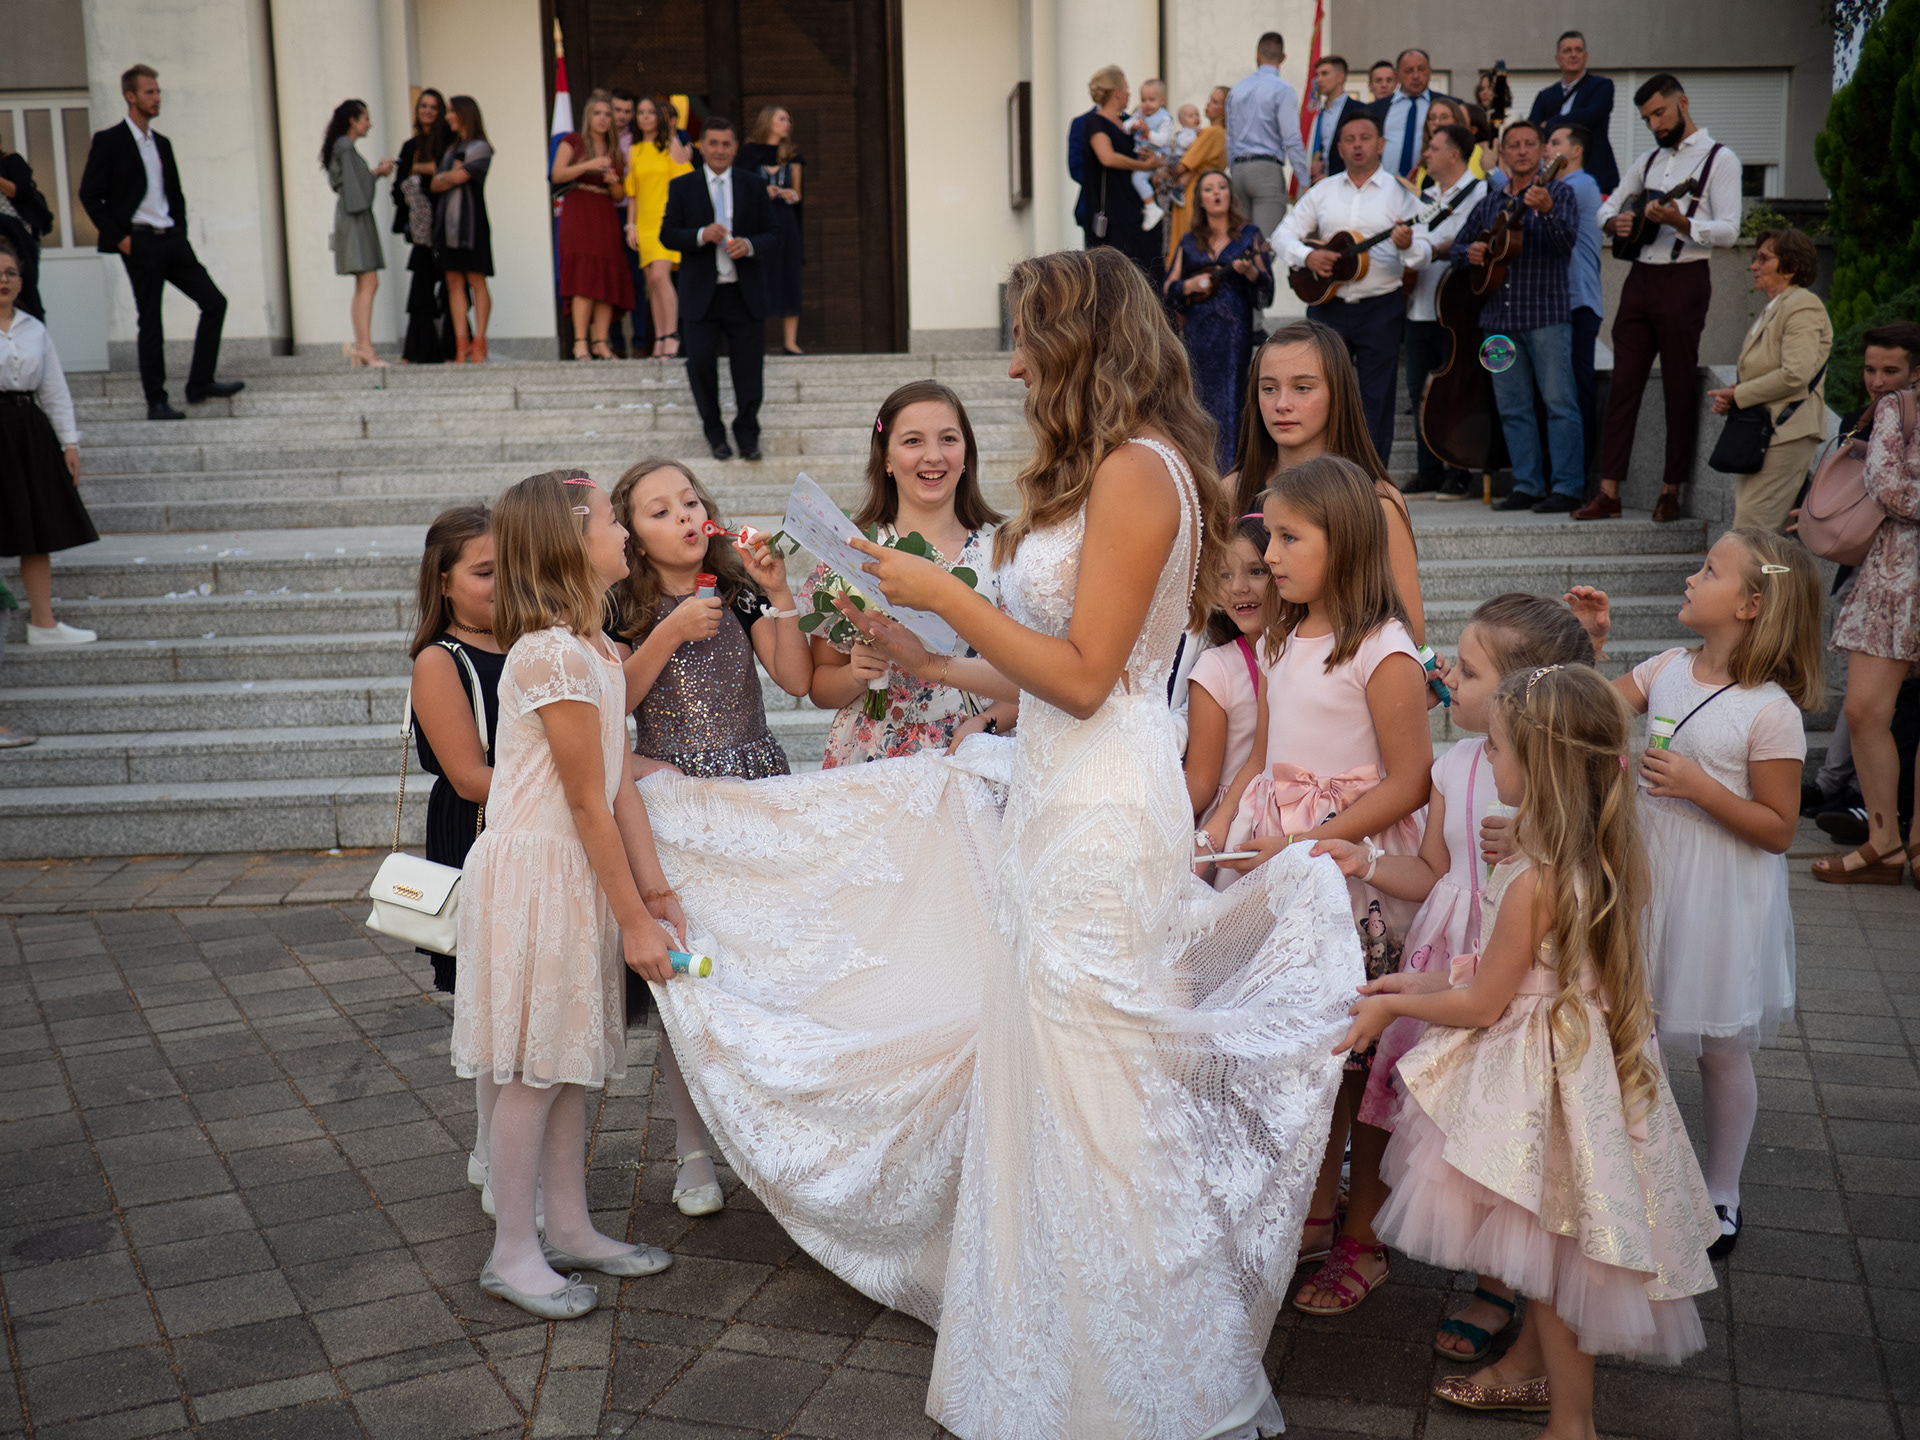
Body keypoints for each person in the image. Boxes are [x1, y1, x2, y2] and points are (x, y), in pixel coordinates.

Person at [635, 247, 1362, 1438]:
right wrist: (928, 655)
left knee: (1102, 1095)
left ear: (1083, 342)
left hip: (1102, 806)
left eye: (1028, 338)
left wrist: (947, 593)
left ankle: (1153, 1386)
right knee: (1053, 1086)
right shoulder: (1107, 470)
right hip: (1054, 796)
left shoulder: (1141, 471)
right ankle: (1057, 1364)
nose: (1016, 364)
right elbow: (1044, 675)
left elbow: (1086, 677)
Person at [1357, 664, 1718, 1425]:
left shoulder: (1533, 880)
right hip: (1583, 1070)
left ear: (1540, 765)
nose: (1485, 757)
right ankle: (1534, 1373)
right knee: (1555, 1255)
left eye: (1495, 747)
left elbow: (1485, 1003)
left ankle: (1571, 1425)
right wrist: (1411, 985)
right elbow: (1515, 976)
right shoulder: (1597, 853)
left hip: (1543, 1084)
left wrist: (1391, 1009)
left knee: (1553, 1265)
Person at [1200, 456, 1433, 1319]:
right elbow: (1264, 755)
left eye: (1290, 539)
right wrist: (1224, 831)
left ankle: (1363, 1235)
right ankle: (1315, 1211)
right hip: (1288, 863)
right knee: (1312, 1052)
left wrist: (1310, 843)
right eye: (1271, 537)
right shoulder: (1278, 638)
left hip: (1354, 875)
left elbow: (1410, 780)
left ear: (1347, 542)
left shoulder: (1384, 648)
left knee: (1362, 1060)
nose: (1270, 556)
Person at [1339, 592, 1596, 1362]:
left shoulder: (1561, 777)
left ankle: (1512, 1287)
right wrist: (1367, 862)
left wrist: (1540, 830)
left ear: (1524, 693)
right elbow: (1430, 870)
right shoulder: (1452, 766)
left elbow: (1597, 845)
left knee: (1522, 1132)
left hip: (1524, 981)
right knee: (1463, 1129)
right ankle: (1492, 1275)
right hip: (1450, 960)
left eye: (1472, 670)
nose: (1448, 674)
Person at [451, 470, 681, 1320]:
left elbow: (619, 788)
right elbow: (585, 801)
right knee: (535, 1067)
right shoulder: (549, 653)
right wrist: (634, 922)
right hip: (538, 872)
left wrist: (653, 891)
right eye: (614, 521)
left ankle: (573, 1227)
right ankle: (513, 1251)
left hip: (576, 870)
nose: (626, 534)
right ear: (572, 538)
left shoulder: (596, 650)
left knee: (570, 1062)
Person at [1572, 530, 1821, 1258]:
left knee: (1720, 1046)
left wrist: (1700, 787)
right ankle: (1626, 1168)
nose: (1691, 577)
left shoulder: (1771, 711)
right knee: (1627, 1018)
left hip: (1720, 895)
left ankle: (1722, 1190)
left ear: (1751, 604)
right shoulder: (1667, 668)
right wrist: (1591, 645)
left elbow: (1778, 829)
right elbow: (1585, 710)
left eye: (1709, 570)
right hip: (1649, 874)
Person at [801, 382, 1005, 765]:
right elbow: (820, 687)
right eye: (913, 441)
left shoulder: (1002, 554)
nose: (933, 455)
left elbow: (1032, 680)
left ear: (966, 455)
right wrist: (855, 674)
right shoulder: (854, 552)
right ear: (887, 460)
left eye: (948, 439)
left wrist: (985, 723)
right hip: (871, 756)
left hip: (967, 751)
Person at [1575, 75, 1741, 523]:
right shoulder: (1648, 160)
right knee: (1623, 385)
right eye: (1646, 118)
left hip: (1685, 278)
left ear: (1682, 102)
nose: (1654, 125)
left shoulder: (1720, 159)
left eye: (1659, 114)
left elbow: (1730, 230)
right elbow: (1606, 207)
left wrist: (1683, 223)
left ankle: (1671, 490)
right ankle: (1608, 491)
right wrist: (1614, 223)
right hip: (1639, 280)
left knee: (1678, 386)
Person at [406, 507, 506, 1203]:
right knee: (495, 1000)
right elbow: (469, 776)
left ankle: (495, 1150)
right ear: (443, 581)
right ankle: (496, 1158)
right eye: (484, 572)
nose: (502, 584)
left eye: (511, 567)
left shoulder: (534, 642)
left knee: (526, 997)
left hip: (535, 829)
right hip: (478, 831)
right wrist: (574, 787)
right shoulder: (440, 660)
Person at [609, 456, 811, 780]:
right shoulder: (620, 605)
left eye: (690, 502)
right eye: (660, 512)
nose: (684, 515)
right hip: (672, 782)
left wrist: (779, 591)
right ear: (635, 541)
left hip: (755, 777)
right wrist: (671, 632)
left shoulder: (737, 589)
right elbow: (615, 705)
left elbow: (797, 681)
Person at [1227, 320, 1425, 641]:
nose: (1282, 404)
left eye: (1302, 388)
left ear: (1338, 393)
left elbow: (1409, 629)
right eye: (1269, 388)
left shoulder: (1377, 500)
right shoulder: (1231, 490)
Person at [1800, 322, 1920, 829]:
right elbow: (1883, 486)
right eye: (1871, 369)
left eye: (1890, 370)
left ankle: (1885, 828)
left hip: (1896, 577)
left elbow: (1888, 488)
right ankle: (1873, 819)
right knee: (1868, 708)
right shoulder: (1884, 411)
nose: (1877, 380)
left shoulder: (1895, 409)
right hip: (1886, 573)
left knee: (1877, 709)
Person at [78, 64, 244, 420]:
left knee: (214, 302)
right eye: (149, 92)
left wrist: (179, 229)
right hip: (138, 242)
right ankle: (156, 400)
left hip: (171, 239)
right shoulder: (110, 141)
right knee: (151, 321)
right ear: (131, 96)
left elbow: (174, 194)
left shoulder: (162, 144)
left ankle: (200, 384)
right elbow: (89, 194)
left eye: (158, 91)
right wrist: (120, 239)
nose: (157, 98)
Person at [1277, 110, 1421, 470]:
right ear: (1339, 148)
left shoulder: (1402, 194)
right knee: (1318, 394)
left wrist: (1407, 245)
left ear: (1381, 144)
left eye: (1365, 138)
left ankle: (1372, 479)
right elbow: (1282, 234)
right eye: (1350, 140)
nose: (1358, 146)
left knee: (1377, 397)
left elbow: (1424, 249)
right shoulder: (1323, 191)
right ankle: (1319, 473)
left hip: (1380, 308)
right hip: (1328, 307)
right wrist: (1308, 256)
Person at [1453, 121, 1584, 513]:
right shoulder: (1489, 202)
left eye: (1530, 144)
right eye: (1514, 145)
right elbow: (1458, 249)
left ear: (1543, 151)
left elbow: (1566, 244)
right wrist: (1472, 253)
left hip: (1547, 316)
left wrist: (1547, 212)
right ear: (1503, 154)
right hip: (1498, 321)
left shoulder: (1559, 192)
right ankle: (1527, 485)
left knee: (1560, 404)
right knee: (1512, 409)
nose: (1522, 151)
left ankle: (1567, 488)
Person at [0, 236, 97, 648]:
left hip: (29, 431)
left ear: (21, 281)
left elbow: (55, 390)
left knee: (36, 530)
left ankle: (43, 623)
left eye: (10, 273)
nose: (4, 280)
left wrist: (69, 443)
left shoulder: (34, 329)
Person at [660, 118, 775, 461]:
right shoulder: (683, 186)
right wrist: (700, 235)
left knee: (749, 369)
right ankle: (715, 435)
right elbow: (667, 234)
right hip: (701, 296)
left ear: (735, 147)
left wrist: (749, 245)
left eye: (726, 144)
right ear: (702, 146)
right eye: (713, 143)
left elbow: (773, 233)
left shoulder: (754, 184)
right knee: (699, 365)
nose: (720, 150)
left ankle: (748, 437)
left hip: (744, 293)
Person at [1707, 228, 1832, 532]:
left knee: (1751, 534)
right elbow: (1770, 372)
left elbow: (1796, 373)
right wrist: (1735, 395)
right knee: (1762, 536)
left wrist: (1740, 395)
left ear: (1791, 267)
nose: (1754, 266)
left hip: (1786, 433)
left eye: (1763, 258)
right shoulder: (1777, 307)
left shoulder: (1803, 304)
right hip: (1766, 433)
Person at [1166, 171, 1273, 472]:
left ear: (1230, 194)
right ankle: (1202, 470)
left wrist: (1249, 272)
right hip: (1198, 331)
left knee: (1231, 397)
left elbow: (1266, 285)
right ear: (1200, 200)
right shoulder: (1189, 241)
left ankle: (1231, 471)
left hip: (1234, 330)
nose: (1216, 193)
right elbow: (1168, 287)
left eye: (1222, 187)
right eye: (1209, 189)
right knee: (1199, 397)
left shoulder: (1249, 235)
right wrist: (1189, 285)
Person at [1401, 124, 1486, 498]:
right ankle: (1429, 471)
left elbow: (1471, 244)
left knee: (1457, 391)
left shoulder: (1481, 193)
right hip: (1420, 306)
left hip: (1459, 310)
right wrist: (1419, 247)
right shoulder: (1423, 197)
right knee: (1418, 392)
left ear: (1454, 154)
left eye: (1433, 148)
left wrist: (1427, 248)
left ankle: (1459, 470)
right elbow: (1418, 249)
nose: (1426, 155)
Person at [1184, 514, 1272, 826]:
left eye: (1256, 571)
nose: (1238, 587)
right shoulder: (1215, 670)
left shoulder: (1311, 655)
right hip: (1235, 829)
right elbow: (1199, 786)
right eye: (1224, 575)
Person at [552, 90, 633, 361]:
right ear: (588, 116)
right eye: (597, 113)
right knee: (583, 276)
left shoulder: (615, 151)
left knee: (606, 275)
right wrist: (590, 165)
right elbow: (557, 173)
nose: (603, 119)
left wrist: (614, 182)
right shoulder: (572, 141)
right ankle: (580, 342)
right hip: (578, 210)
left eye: (607, 114)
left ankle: (600, 341)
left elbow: (619, 196)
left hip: (605, 213)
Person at [1545, 122, 1604, 474]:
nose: (1545, 149)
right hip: (1564, 303)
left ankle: (1581, 473)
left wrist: (1495, 170)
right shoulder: (1564, 185)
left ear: (1576, 151)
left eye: (1554, 142)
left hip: (1579, 302)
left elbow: (1530, 199)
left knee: (1577, 392)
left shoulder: (1578, 185)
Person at [322, 100, 394, 369]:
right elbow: (357, 192)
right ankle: (364, 347)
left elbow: (351, 184)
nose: (369, 124)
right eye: (365, 119)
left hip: (350, 215)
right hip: (355, 217)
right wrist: (377, 174)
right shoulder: (345, 146)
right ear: (353, 121)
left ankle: (362, 346)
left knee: (364, 283)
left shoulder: (341, 146)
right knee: (369, 281)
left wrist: (374, 174)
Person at [624, 94, 694, 360]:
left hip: (666, 222)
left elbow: (686, 184)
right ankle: (660, 338)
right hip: (644, 223)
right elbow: (632, 193)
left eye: (650, 112)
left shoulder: (670, 144)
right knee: (651, 283)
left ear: (659, 117)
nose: (645, 117)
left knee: (660, 278)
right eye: (640, 112)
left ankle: (672, 335)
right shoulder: (634, 151)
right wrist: (630, 226)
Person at [1080, 67, 1166, 281]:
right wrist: (1143, 167)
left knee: (1148, 270)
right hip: (1112, 212)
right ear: (1117, 92)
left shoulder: (1130, 122)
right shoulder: (1095, 121)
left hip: (1136, 210)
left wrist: (1154, 161)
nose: (1129, 94)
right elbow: (1107, 157)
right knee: (1114, 276)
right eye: (1126, 89)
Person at [1224, 32, 1309, 241]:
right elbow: (1291, 139)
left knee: (1240, 244)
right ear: (1283, 58)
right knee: (1267, 244)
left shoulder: (1237, 89)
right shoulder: (1283, 90)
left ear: (1257, 55)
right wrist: (1304, 180)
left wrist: (1234, 169)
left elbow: (1230, 138)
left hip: (1239, 169)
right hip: (1266, 169)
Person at [392, 88, 452, 364]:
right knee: (421, 289)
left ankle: (453, 349)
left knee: (452, 287)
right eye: (423, 106)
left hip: (447, 226)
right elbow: (398, 188)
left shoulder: (449, 141)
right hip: (421, 230)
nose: (427, 111)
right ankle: (415, 352)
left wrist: (424, 170)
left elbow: (451, 174)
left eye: (433, 107)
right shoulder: (410, 146)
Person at [433, 95, 493, 364]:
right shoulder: (450, 149)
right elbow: (434, 185)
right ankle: (462, 345)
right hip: (447, 227)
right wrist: (449, 176)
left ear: (464, 113)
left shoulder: (481, 147)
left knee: (476, 281)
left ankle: (479, 342)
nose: (447, 117)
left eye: (451, 111)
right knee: (453, 283)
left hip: (472, 224)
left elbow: (460, 177)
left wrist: (447, 176)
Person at [742, 105, 806, 355]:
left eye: (788, 119)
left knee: (789, 275)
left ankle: (790, 342)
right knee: (758, 275)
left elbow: (798, 192)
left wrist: (789, 194)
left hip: (785, 223)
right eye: (782, 119)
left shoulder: (792, 154)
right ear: (768, 122)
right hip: (758, 223)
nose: (787, 123)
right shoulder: (749, 153)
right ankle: (755, 340)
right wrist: (761, 192)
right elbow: (740, 188)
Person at [1526, 30, 1619, 192]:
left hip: (1595, 174)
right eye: (1567, 51)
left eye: (1578, 50)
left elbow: (1591, 115)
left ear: (1586, 56)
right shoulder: (1545, 95)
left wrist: (1550, 123)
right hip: (1553, 178)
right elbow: (1533, 130)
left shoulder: (1601, 86)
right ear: (1557, 59)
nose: (1573, 55)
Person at [1164, 86, 1228, 269]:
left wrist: (1158, 164)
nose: (1208, 104)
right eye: (1210, 99)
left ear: (1225, 110)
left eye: (1215, 102)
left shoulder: (1212, 133)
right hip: (1201, 194)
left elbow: (1182, 166)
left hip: (1192, 193)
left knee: (1185, 246)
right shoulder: (1221, 134)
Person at [607, 88, 646, 358]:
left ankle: (641, 341)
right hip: (607, 214)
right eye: (617, 110)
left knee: (637, 279)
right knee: (611, 278)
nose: (622, 116)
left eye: (627, 111)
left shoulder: (639, 139)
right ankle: (615, 343)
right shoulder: (600, 139)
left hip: (635, 215)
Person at [1377, 49, 1456, 181]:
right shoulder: (1377, 109)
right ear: (1397, 75)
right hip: (1385, 184)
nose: (1415, 76)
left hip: (1432, 183)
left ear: (1430, 71)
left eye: (1421, 69)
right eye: (1408, 71)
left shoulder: (1448, 106)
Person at [0, 137, 52, 320]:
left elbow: (20, 191)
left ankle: (34, 331)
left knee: (24, 288)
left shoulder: (12, 162)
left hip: (18, 237)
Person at [1123, 79, 1174, 230]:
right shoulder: (1140, 114)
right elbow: (1124, 125)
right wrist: (1132, 127)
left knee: (1137, 178)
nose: (1147, 104)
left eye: (1152, 100)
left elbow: (1163, 140)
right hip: (1140, 156)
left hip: (1157, 156)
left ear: (1162, 101)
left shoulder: (1165, 118)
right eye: (1144, 100)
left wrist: (1148, 132)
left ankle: (1151, 207)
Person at [1408, 98, 1488, 187]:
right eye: (1432, 118)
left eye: (1444, 117)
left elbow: (1469, 188)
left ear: (1457, 121)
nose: (1437, 122)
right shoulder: (1426, 155)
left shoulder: (1474, 151)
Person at [1305, 55, 1354, 183]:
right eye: (1317, 75)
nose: (1318, 80)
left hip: (1347, 182)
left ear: (1340, 77)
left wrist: (1333, 177)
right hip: (1320, 183)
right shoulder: (1318, 114)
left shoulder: (1357, 110)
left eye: (1324, 74)